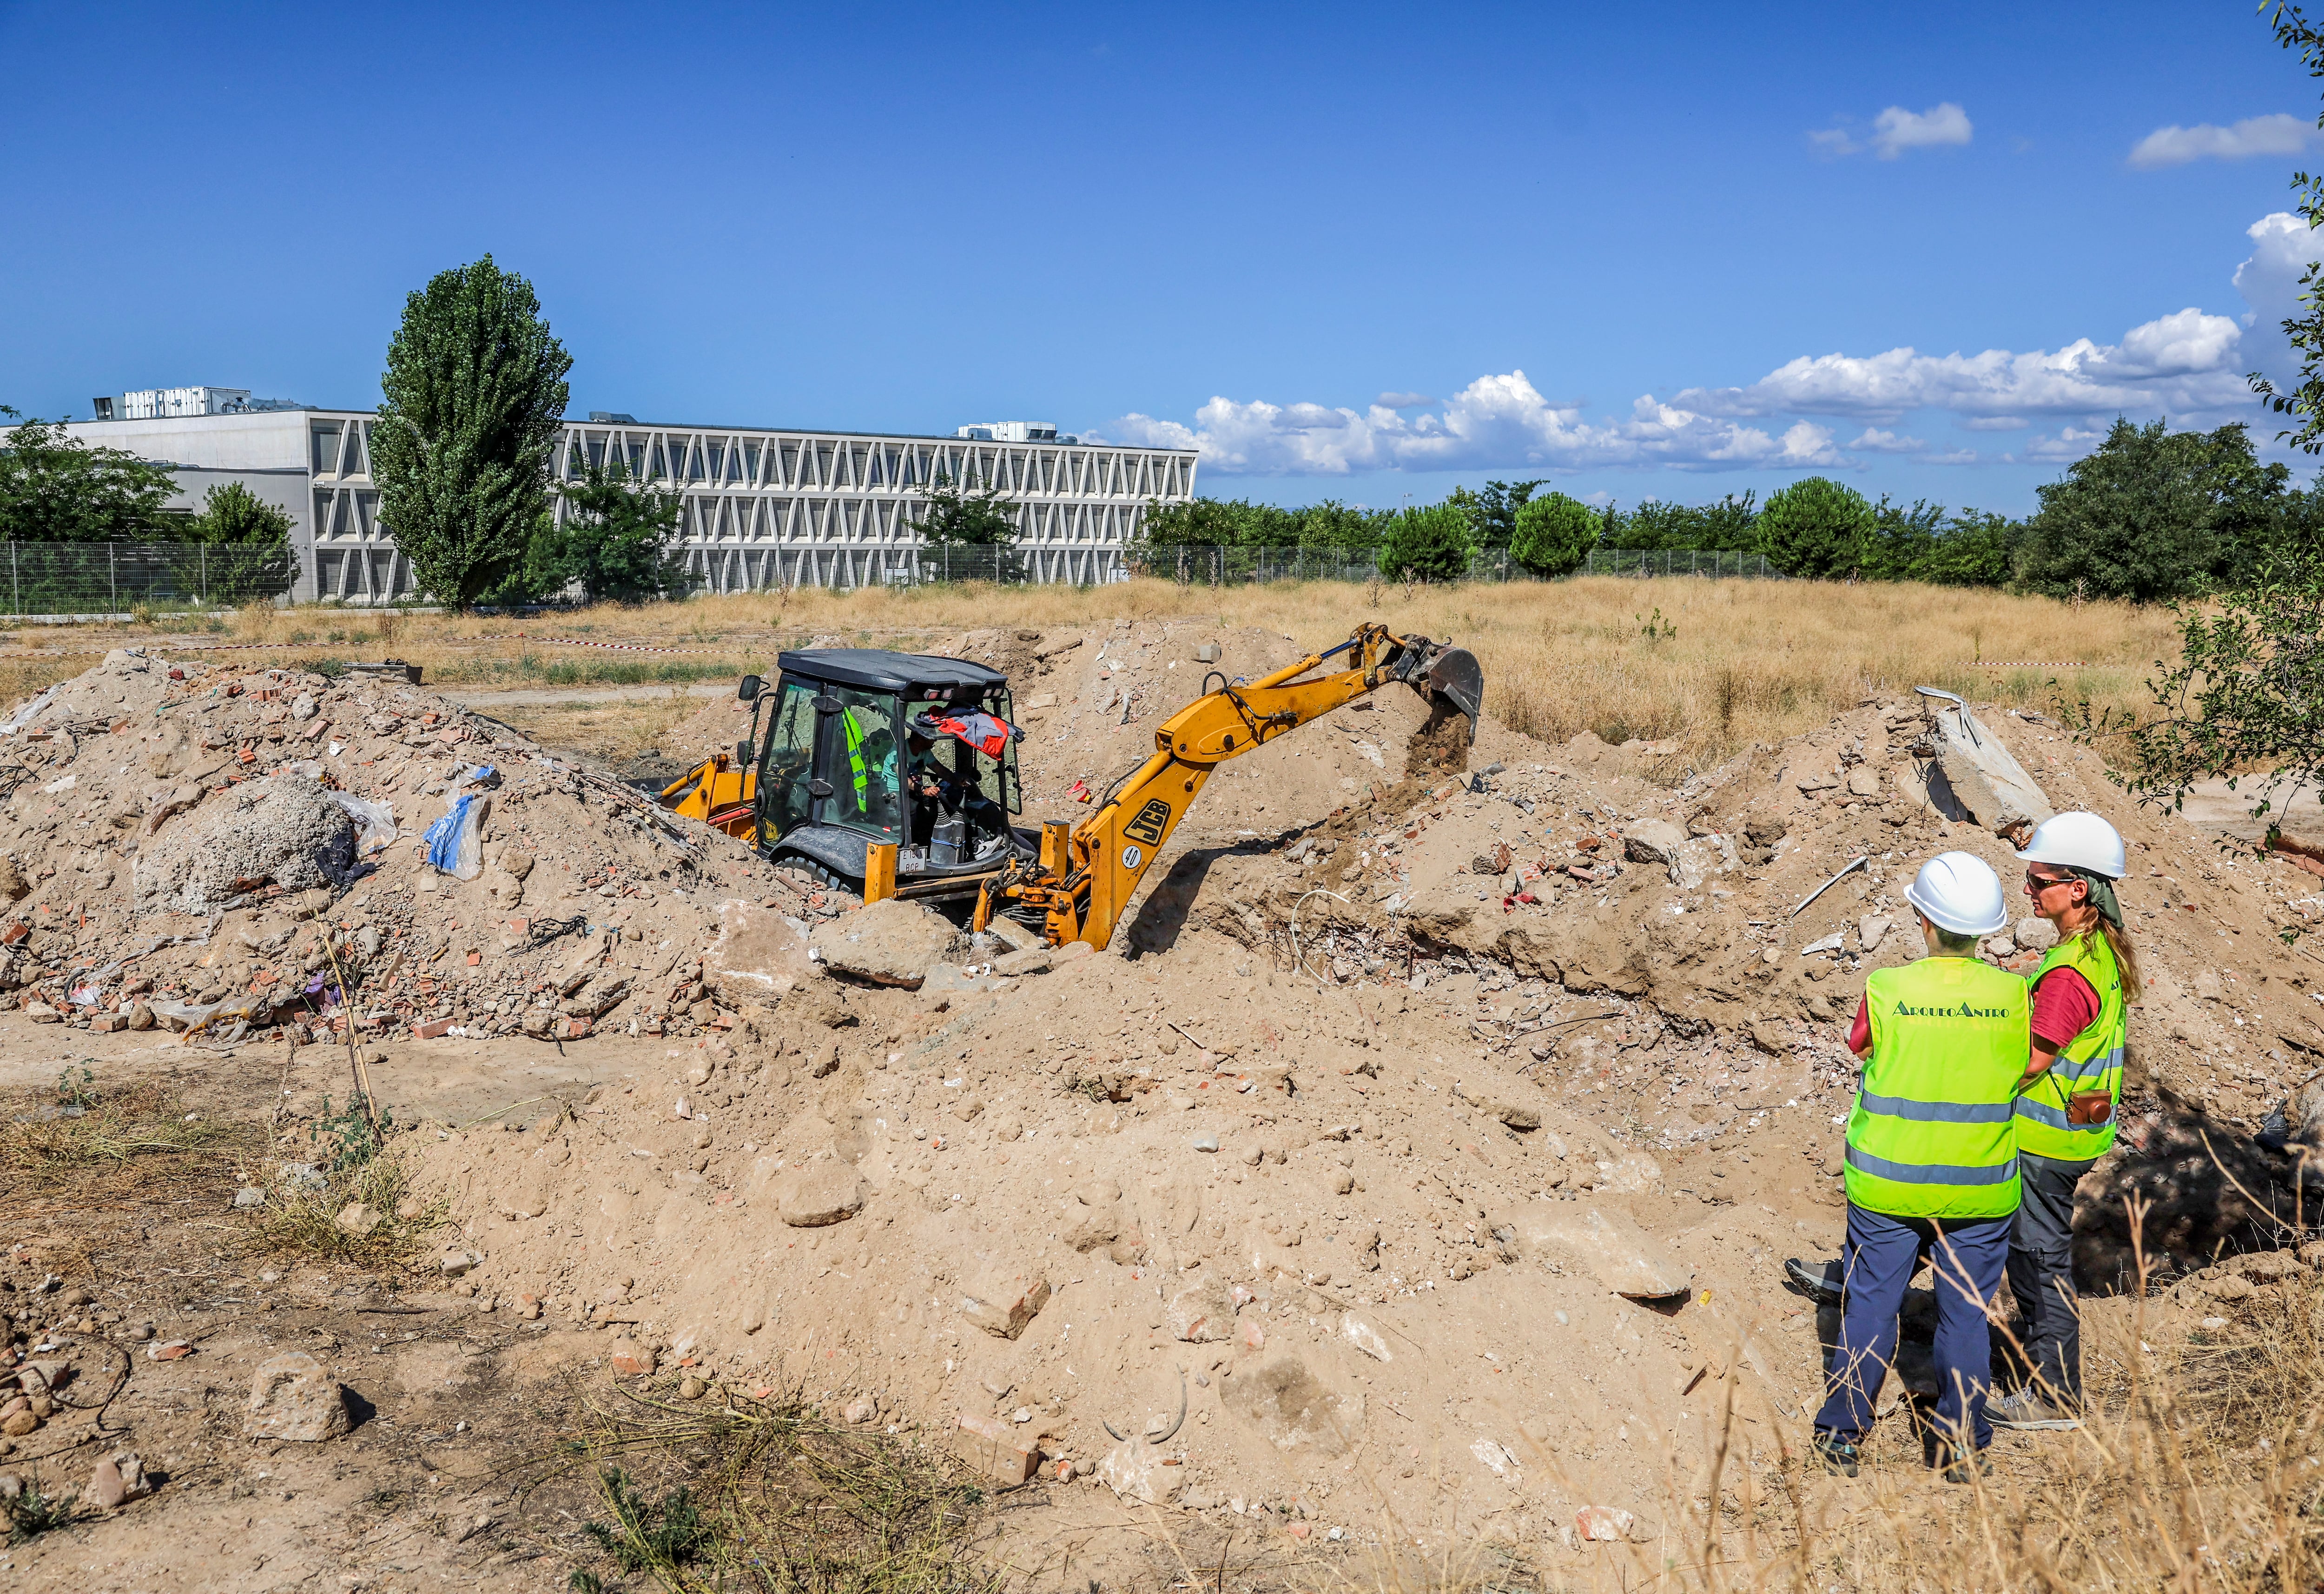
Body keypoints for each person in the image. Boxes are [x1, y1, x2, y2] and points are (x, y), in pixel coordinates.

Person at [1810, 852, 2027, 1482]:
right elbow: (2021, 1063)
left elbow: (1862, 1046)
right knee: (1966, 1313)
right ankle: (1962, 1444)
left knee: (1874, 1304)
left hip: (1888, 1181)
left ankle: (1843, 1433)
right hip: (1980, 1187)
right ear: (1986, 931)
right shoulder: (2014, 993)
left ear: (1922, 919)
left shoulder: (1887, 987)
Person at [1988, 812, 2138, 1433]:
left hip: (2045, 1140)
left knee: (2038, 1257)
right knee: (2030, 1251)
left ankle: (2056, 1394)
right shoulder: (2098, 951)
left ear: (2078, 888)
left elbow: (2032, 1062)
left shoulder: (2071, 971)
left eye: (2037, 880)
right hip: (2078, 1130)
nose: (2028, 890)